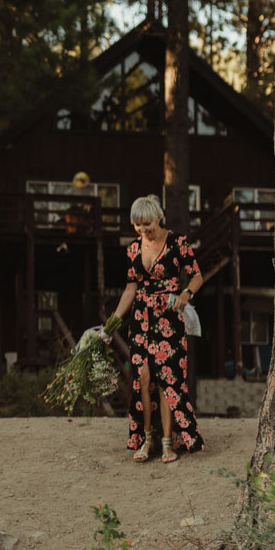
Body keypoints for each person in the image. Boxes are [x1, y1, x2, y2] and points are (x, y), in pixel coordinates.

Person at [110, 194, 205, 464]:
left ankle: (167, 442)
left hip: (169, 317)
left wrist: (186, 294)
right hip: (141, 319)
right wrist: (112, 324)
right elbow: (130, 289)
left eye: (147, 224)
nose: (143, 230)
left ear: (159, 217)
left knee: (166, 380)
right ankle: (146, 438)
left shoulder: (178, 243)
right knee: (142, 378)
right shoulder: (132, 249)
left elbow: (197, 275)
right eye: (138, 225)